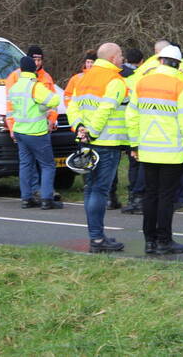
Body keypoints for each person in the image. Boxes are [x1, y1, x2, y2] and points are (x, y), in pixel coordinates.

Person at [125, 45, 183, 255]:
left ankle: (149, 242)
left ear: (160, 60)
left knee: (150, 196)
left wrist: (134, 145)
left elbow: (131, 117)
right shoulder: (180, 87)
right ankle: (164, 240)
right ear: (178, 64)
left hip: (147, 151)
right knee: (166, 197)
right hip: (172, 153)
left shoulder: (142, 83)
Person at [66, 42, 129, 252]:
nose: (122, 58)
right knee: (100, 191)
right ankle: (98, 239)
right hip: (106, 142)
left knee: (90, 190)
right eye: (120, 55)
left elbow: (72, 105)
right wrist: (92, 131)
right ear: (112, 58)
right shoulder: (115, 81)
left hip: (85, 142)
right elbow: (105, 109)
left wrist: (79, 127)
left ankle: (96, 235)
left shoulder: (84, 78)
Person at [136, 39, 183, 208]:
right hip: (180, 122)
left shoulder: (179, 73)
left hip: (175, 123)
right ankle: (182, 197)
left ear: (161, 56)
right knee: (181, 164)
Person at [8, 56, 63, 210]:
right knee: (47, 165)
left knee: (26, 165)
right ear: (34, 69)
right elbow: (54, 101)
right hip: (36, 131)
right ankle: (46, 199)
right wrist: (43, 108)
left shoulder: (15, 86)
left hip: (20, 130)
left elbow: (18, 108)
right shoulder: (35, 86)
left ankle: (26, 198)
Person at [119, 47, 145, 214]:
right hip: (136, 127)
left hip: (118, 128)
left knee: (126, 164)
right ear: (141, 61)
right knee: (137, 163)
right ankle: (137, 198)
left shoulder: (117, 77)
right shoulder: (141, 78)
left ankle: (128, 198)